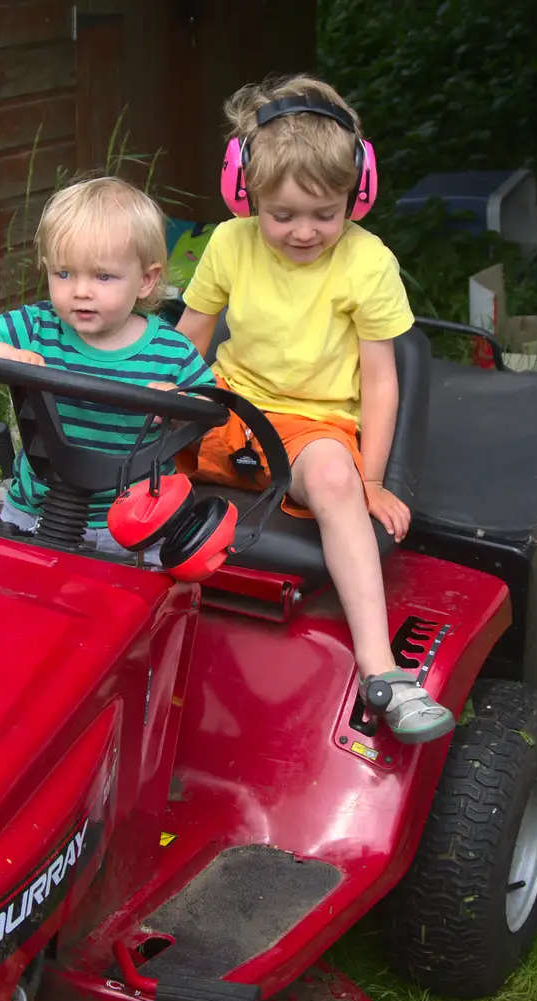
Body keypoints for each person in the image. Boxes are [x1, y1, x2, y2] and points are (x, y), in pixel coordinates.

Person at [172, 74, 455, 745]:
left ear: (358, 195)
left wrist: (372, 481)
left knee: (334, 479)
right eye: (283, 215)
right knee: (124, 432)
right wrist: (155, 408)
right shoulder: (228, 243)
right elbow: (187, 344)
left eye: (325, 214)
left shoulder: (367, 262)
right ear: (247, 194)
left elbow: (382, 381)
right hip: (227, 407)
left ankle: (382, 671)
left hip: (310, 427)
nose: (305, 231)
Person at [0, 176, 216, 558]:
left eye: (103, 276)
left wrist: (176, 402)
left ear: (146, 280)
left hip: (135, 524)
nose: (81, 291)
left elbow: (211, 409)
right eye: (64, 274)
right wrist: (11, 358)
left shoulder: (171, 351)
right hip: (37, 510)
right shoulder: (38, 327)